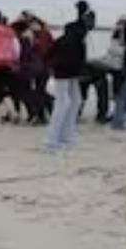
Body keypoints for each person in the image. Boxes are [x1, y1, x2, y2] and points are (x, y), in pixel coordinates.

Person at [44, 21, 87, 151]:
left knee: (74, 101)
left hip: (68, 75)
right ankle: (52, 139)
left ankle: (66, 136)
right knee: (63, 103)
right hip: (64, 75)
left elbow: (47, 56)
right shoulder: (76, 42)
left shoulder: (63, 40)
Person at [28, 15, 55, 121]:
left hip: (43, 67)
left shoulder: (43, 34)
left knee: (40, 91)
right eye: (30, 25)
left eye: (33, 24)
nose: (31, 26)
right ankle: (44, 114)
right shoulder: (34, 35)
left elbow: (45, 51)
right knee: (39, 91)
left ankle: (43, 114)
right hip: (37, 67)